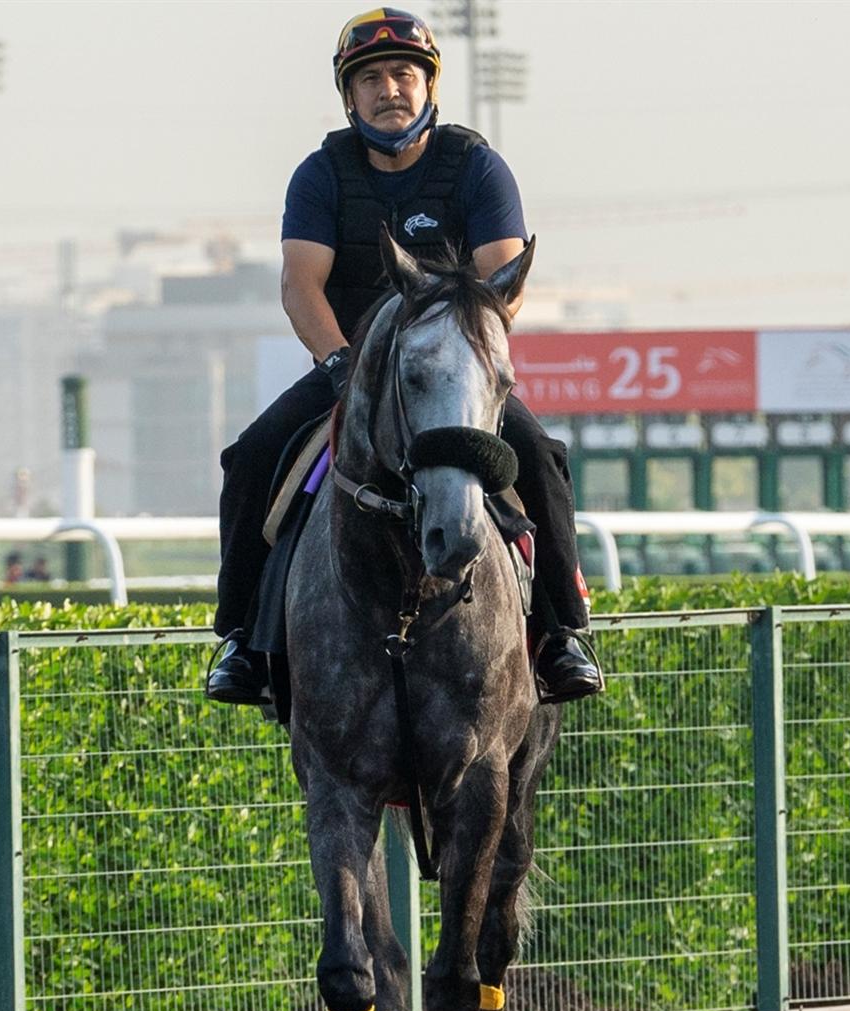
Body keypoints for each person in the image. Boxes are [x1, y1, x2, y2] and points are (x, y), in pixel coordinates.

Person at [206, 7, 603, 708]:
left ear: (429, 87)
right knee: (251, 454)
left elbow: (501, 283)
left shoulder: (478, 167)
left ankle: (565, 633)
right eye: (371, 79)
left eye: (403, 75)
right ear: (349, 96)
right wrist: (341, 368)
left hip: (451, 378)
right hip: (352, 372)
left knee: (539, 453)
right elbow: (301, 289)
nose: (389, 89)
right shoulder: (321, 174)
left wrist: (455, 363)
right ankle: (240, 639)